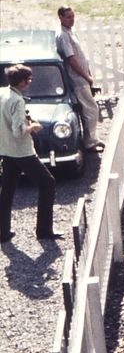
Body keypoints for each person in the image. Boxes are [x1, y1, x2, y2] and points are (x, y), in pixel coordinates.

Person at [0, 64, 62, 242]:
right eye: (29, 79)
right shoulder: (17, 101)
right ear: (22, 82)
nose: (30, 82)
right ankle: (43, 230)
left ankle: (3, 231)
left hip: (6, 149)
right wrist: (33, 127)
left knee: (7, 190)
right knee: (48, 183)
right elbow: (19, 131)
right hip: (22, 151)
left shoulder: (3, 93)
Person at [55, 5, 103, 152]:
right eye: (68, 17)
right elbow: (71, 58)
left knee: (88, 108)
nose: (71, 19)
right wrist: (86, 76)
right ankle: (90, 142)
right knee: (90, 109)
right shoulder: (63, 35)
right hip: (77, 79)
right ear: (61, 18)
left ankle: (90, 138)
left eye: (73, 16)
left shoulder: (69, 33)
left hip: (80, 78)